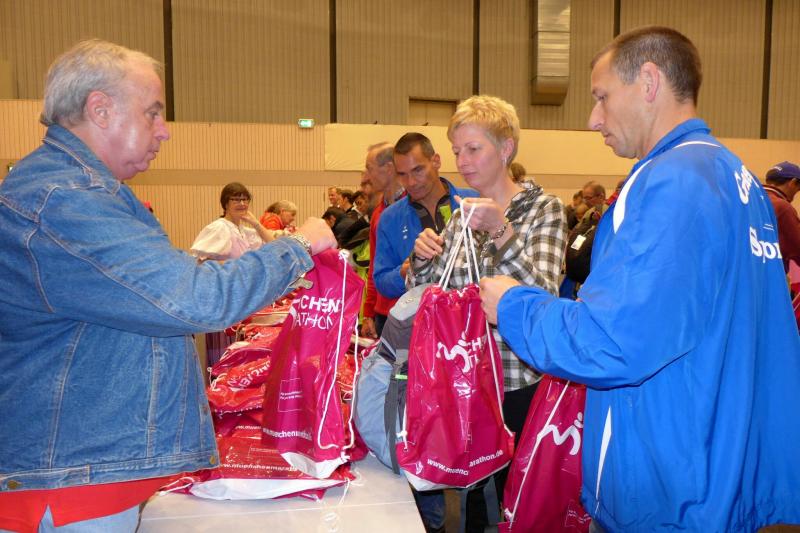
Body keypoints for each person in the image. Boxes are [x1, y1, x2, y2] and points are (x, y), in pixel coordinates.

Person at [0, 39, 335, 533]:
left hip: (80, 465)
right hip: (71, 483)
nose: (165, 130)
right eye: (153, 113)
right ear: (100, 109)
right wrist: (299, 245)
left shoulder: (81, 191)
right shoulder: (65, 199)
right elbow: (194, 299)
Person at [479, 26, 800, 532]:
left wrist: (513, 304)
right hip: (720, 465)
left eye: (602, 97)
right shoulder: (735, 177)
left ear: (649, 82)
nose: (593, 119)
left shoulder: (670, 180)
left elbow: (612, 340)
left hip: (667, 484)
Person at [409, 96, 565, 532]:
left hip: (517, 385)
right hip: (466, 383)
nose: (462, 161)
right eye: (457, 151)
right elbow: (435, 294)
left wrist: (501, 230)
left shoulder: (544, 209)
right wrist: (420, 259)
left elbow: (544, 295)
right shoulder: (461, 215)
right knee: (475, 502)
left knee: (517, 504)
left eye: (473, 149)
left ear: (506, 148)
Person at [373, 132, 478, 325]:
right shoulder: (389, 218)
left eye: (418, 170)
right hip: (420, 326)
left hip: (473, 322)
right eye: (402, 174)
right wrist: (404, 272)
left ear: (436, 161)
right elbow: (381, 281)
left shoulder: (474, 201)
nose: (411, 182)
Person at [360, 142, 405, 338]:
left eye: (369, 169)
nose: (366, 177)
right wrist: (368, 313)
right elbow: (374, 267)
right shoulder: (378, 214)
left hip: (409, 312)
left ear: (388, 168)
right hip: (382, 313)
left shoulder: (414, 208)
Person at [190, 182, 274, 261]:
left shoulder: (242, 231)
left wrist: (255, 223)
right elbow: (201, 261)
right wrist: (235, 265)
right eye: (236, 200)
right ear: (226, 204)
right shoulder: (220, 227)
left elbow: (274, 245)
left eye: (245, 199)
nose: (242, 203)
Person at [763, 161, 800, 273]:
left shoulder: (749, 200)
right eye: (798, 189)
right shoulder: (783, 207)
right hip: (769, 274)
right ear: (793, 182)